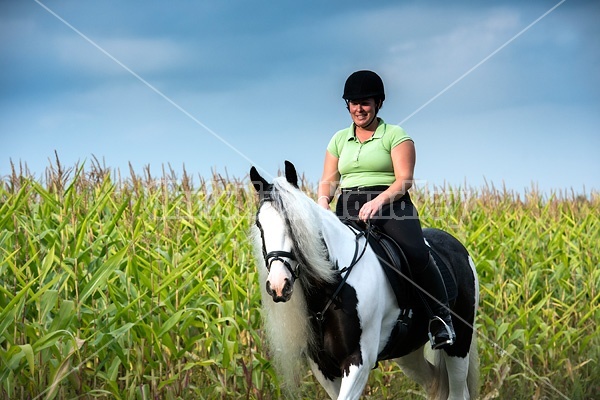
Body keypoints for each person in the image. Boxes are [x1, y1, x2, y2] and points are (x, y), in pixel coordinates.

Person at [317, 70, 455, 350]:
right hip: (348, 207)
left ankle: (440, 319)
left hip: (391, 205)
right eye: (353, 103)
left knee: (416, 252)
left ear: (378, 102)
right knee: (318, 258)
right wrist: (322, 202)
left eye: (365, 102)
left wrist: (379, 201)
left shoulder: (395, 135)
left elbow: (404, 179)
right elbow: (329, 180)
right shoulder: (339, 140)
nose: (359, 108)